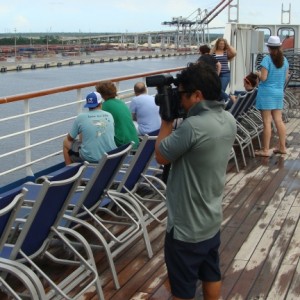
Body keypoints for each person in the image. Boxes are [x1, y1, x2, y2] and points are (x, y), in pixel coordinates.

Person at [155, 62, 237, 300]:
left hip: (186, 228)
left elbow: (161, 155)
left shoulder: (193, 127)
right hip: (210, 219)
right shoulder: (228, 119)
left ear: (197, 95)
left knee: (182, 288)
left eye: (182, 95)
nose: (180, 100)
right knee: (211, 273)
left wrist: (166, 120)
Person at [255, 36, 289, 157]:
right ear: (279, 46)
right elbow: (285, 78)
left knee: (267, 122)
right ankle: (283, 147)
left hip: (266, 94)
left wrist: (257, 73)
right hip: (278, 93)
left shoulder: (267, 60)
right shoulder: (284, 60)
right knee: (278, 120)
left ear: (268, 47)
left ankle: (265, 150)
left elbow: (263, 78)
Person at [63, 91, 117, 165]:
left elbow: (70, 139)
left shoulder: (81, 117)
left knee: (65, 142)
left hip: (91, 159)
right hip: (110, 156)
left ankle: (68, 171)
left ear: (88, 105)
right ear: (100, 103)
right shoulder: (109, 115)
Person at [96, 80, 140, 149]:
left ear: (100, 94)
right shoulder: (121, 102)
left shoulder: (104, 106)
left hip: (123, 143)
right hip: (134, 141)